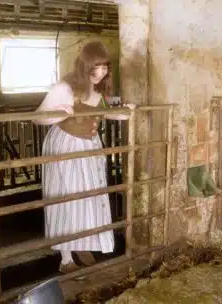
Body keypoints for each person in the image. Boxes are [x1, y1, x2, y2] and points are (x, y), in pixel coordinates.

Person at [33, 41, 134, 274]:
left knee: (88, 196)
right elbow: (37, 118)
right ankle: (66, 257)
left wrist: (126, 112)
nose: (101, 73)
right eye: (95, 67)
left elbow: (106, 111)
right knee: (66, 197)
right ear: (84, 64)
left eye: (105, 67)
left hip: (89, 146)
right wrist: (56, 114)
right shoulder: (65, 87)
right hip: (65, 147)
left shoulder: (98, 89)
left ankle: (84, 243)